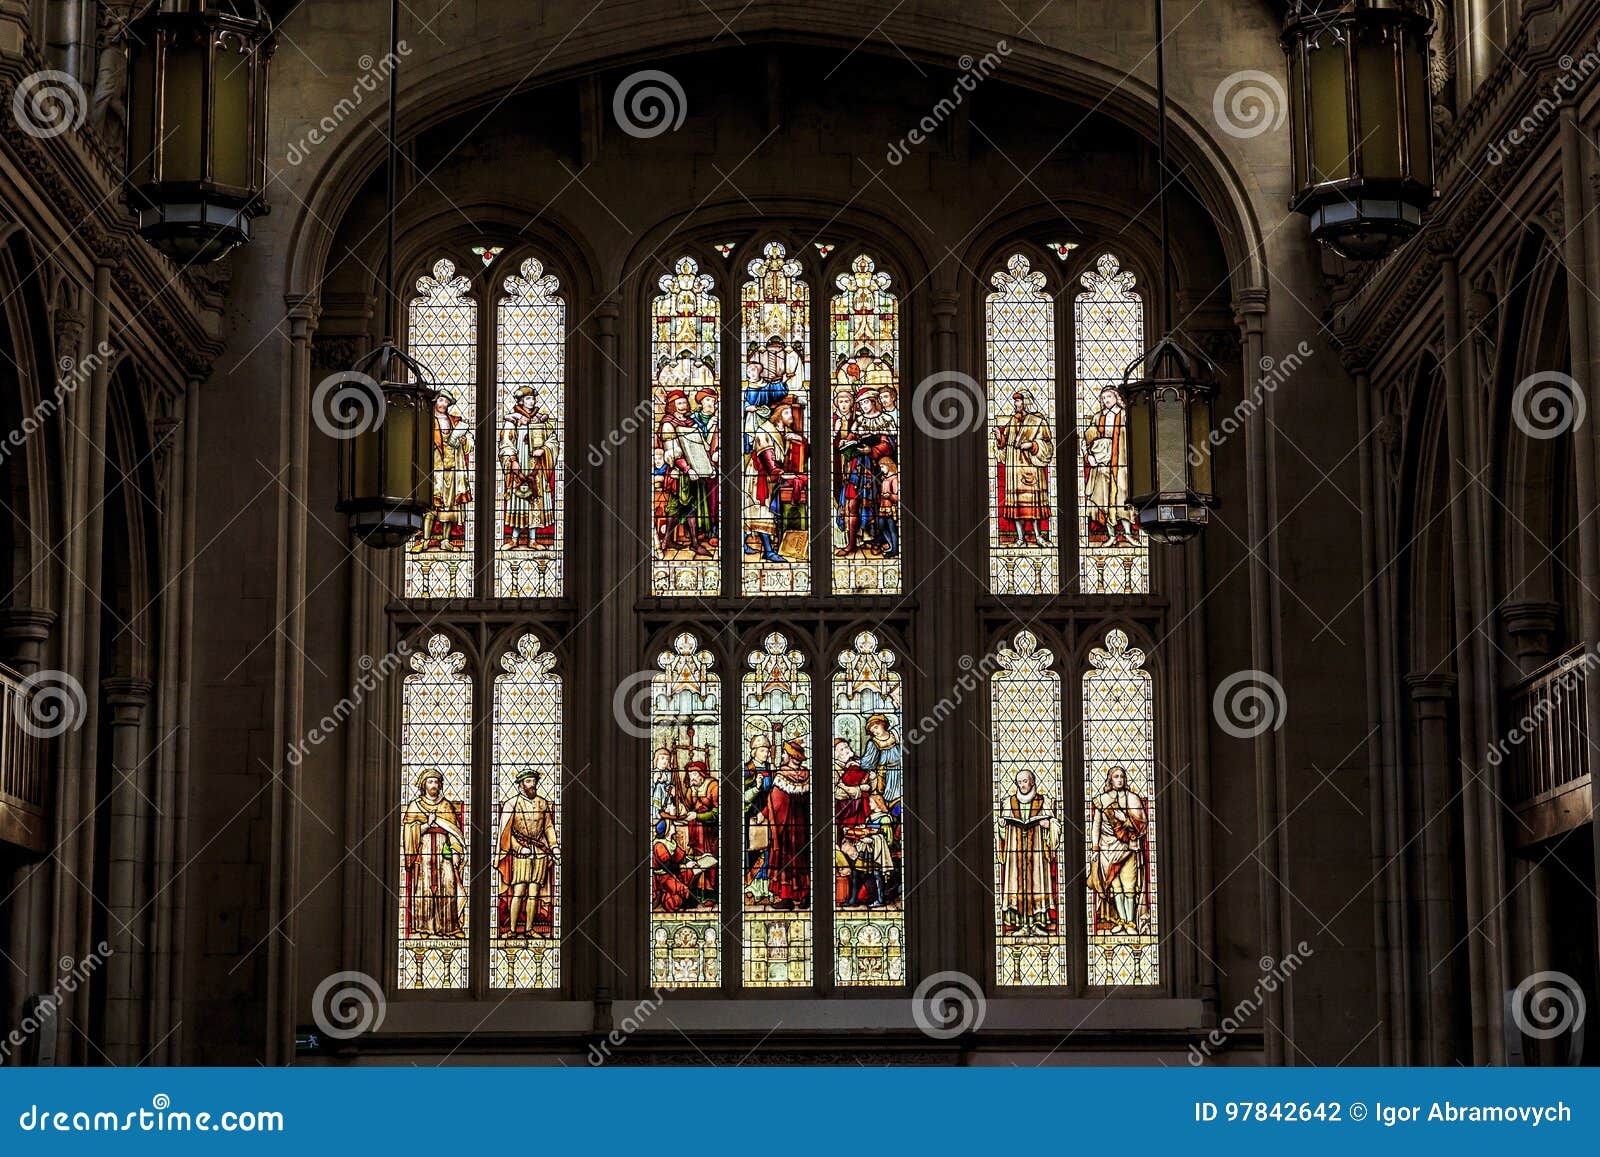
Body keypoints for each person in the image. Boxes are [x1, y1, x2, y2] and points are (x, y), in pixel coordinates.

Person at [401, 770, 466, 937]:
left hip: (444, 851)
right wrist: (426, 825)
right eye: (430, 782)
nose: (434, 785)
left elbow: (454, 831)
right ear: (424, 785)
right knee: (424, 887)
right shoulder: (415, 805)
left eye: (436, 782)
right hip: (424, 851)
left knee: (449, 885)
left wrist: (456, 850)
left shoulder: (446, 805)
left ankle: (450, 927)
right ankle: (424, 927)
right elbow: (408, 831)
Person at [1087, 766, 1150, 933]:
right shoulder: (1102, 800)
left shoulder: (1133, 799)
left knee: (1129, 886)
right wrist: (1094, 849)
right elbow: (1096, 826)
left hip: (1128, 848)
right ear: (1110, 780)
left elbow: (1142, 826)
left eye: (1122, 776)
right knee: (1116, 888)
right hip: (1107, 850)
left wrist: (1125, 818)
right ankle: (1121, 921)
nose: (1119, 779)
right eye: (1116, 776)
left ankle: (1130, 922)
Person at [496, 770, 558, 938]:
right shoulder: (512, 804)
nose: (533, 784)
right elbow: (506, 833)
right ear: (521, 784)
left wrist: (554, 846)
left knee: (534, 893)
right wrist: (517, 848)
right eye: (529, 781)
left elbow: (548, 827)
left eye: (534, 781)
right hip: (521, 852)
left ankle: (530, 929)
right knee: (519, 891)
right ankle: (513, 930)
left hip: (539, 853)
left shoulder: (542, 803)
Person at [745, 397, 807, 562]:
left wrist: (798, 439)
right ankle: (768, 551)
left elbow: (790, 444)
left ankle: (745, 541)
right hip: (760, 476)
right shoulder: (764, 431)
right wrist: (780, 473)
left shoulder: (782, 431)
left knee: (757, 510)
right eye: (787, 413)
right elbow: (768, 459)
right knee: (760, 510)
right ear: (778, 416)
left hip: (771, 476)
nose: (791, 416)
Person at [997, 769, 1058, 934]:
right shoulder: (1009, 803)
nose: (1023, 785)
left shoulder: (1043, 801)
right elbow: (1001, 834)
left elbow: (1055, 827)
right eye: (1020, 782)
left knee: (1038, 882)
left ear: (1032, 782)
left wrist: (1049, 825)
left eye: (1026, 781)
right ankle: (1022, 924)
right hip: (1015, 851)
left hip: (1037, 852)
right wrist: (1002, 827)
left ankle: (1037, 924)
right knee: (1016, 884)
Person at [657, 389, 716, 557]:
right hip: (679, 474)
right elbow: (671, 452)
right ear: (672, 405)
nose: (683, 405)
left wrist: (708, 467)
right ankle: (670, 540)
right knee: (676, 508)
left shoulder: (690, 422)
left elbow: (701, 448)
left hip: (695, 473)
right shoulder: (669, 424)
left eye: (684, 402)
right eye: (679, 403)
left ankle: (693, 543)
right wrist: (687, 468)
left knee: (691, 508)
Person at [993, 388, 1054, 547]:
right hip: (1014, 470)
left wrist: (1033, 445)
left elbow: (1047, 445)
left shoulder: (1038, 421)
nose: (1016, 404)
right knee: (1017, 508)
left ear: (1026, 402)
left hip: (1031, 469)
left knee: (1034, 509)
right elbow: (1005, 444)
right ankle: (1020, 539)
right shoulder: (1012, 421)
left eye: (1018, 401)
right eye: (1015, 401)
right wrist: (1000, 438)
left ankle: (1039, 537)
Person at [500, 387, 557, 548]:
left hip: (536, 467)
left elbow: (553, 441)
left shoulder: (541, 420)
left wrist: (544, 449)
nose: (532, 401)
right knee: (519, 500)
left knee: (535, 501)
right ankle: (514, 539)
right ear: (520, 401)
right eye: (528, 399)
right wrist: (512, 460)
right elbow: (505, 442)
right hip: (519, 464)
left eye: (533, 398)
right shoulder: (512, 420)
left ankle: (532, 540)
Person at [1082, 385, 1136, 547]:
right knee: (1104, 500)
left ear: (1117, 397)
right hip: (1103, 466)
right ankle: (1111, 535)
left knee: (1123, 498)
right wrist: (1089, 455)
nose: (1106, 400)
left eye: (1109, 397)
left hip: (1121, 464)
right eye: (1104, 398)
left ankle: (1128, 534)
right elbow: (1088, 440)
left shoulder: (1126, 415)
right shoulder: (1098, 417)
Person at [763, 738, 811, 910]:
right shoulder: (806, 775)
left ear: (790, 757)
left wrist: (764, 815)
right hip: (803, 829)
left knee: (785, 861)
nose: (782, 755)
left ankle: (787, 897)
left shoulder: (782, 777)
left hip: (785, 830)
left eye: (784, 753)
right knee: (802, 861)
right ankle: (804, 895)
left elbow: (777, 804)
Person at [422, 392, 472, 551]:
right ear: (435, 401)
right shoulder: (426, 420)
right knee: (431, 503)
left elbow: (469, 442)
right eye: (441, 400)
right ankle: (425, 540)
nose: (444, 404)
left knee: (450, 505)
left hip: (452, 470)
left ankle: (445, 540)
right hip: (434, 468)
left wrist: (465, 442)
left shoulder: (455, 422)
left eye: (447, 402)